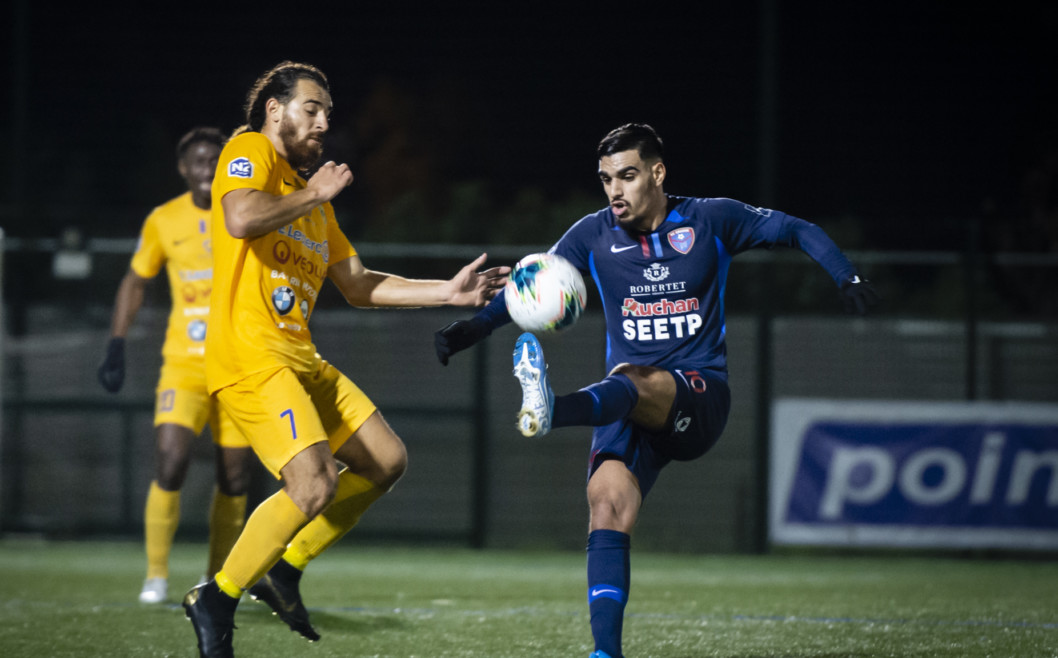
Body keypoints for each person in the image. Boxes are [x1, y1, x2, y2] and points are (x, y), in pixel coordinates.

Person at [434, 123, 878, 658]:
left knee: (631, 379)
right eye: (605, 180)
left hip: (700, 393)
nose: (614, 191)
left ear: (657, 173)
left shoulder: (710, 218)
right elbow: (531, 289)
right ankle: (605, 652)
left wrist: (845, 276)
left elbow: (795, 228)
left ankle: (553, 408)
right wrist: (467, 331)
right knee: (606, 505)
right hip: (625, 403)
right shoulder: (593, 235)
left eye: (626, 176)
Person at [182, 61, 509, 658]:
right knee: (313, 485)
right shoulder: (251, 148)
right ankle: (218, 596)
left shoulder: (316, 205)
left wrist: (449, 292)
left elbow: (358, 286)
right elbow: (239, 217)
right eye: (312, 108)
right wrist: (313, 192)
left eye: (327, 112)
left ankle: (286, 567)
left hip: (300, 358)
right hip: (250, 358)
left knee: (386, 460)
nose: (324, 122)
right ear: (276, 109)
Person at [97, 127, 254, 605]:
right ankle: (156, 575)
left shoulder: (247, 213)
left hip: (239, 366)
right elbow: (135, 281)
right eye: (199, 161)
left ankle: (214, 581)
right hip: (183, 366)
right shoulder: (164, 219)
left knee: (236, 477)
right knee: (171, 460)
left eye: (216, 160)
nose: (207, 169)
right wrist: (116, 344)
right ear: (184, 169)